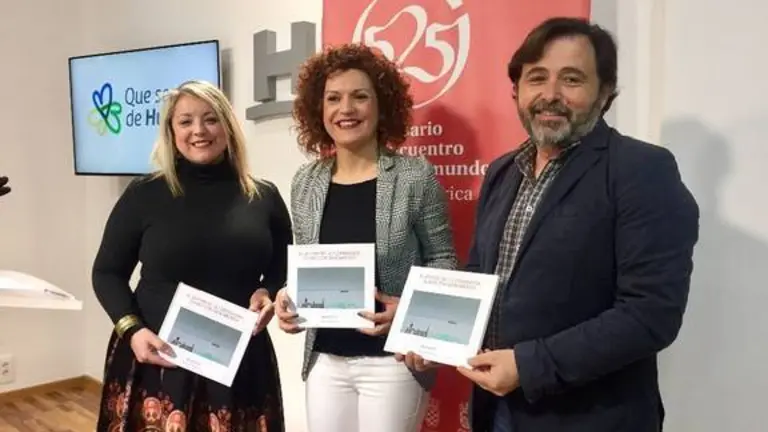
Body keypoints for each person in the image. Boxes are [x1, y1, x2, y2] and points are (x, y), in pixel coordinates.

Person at [452, 17, 700, 432]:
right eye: (536, 78)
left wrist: (528, 366)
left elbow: (650, 313)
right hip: (498, 411)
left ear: (605, 93)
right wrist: (422, 323)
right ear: (516, 90)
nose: (550, 95)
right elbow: (480, 275)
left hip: (590, 417)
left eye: (571, 79)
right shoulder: (502, 172)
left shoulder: (641, 170)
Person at [273, 43, 458, 432]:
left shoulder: (414, 176)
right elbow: (309, 264)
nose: (346, 109)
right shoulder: (306, 182)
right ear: (318, 109)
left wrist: (410, 313)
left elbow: (443, 261)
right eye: (333, 98)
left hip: (392, 362)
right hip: (325, 361)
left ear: (381, 105)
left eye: (360, 96)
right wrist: (289, 298)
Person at [91, 80, 292, 431]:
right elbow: (107, 273)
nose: (199, 130)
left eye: (210, 119)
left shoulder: (264, 196)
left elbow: (282, 265)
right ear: (171, 131)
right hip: (157, 358)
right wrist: (132, 330)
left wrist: (270, 293)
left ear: (228, 127)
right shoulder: (144, 194)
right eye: (185, 121)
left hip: (239, 361)